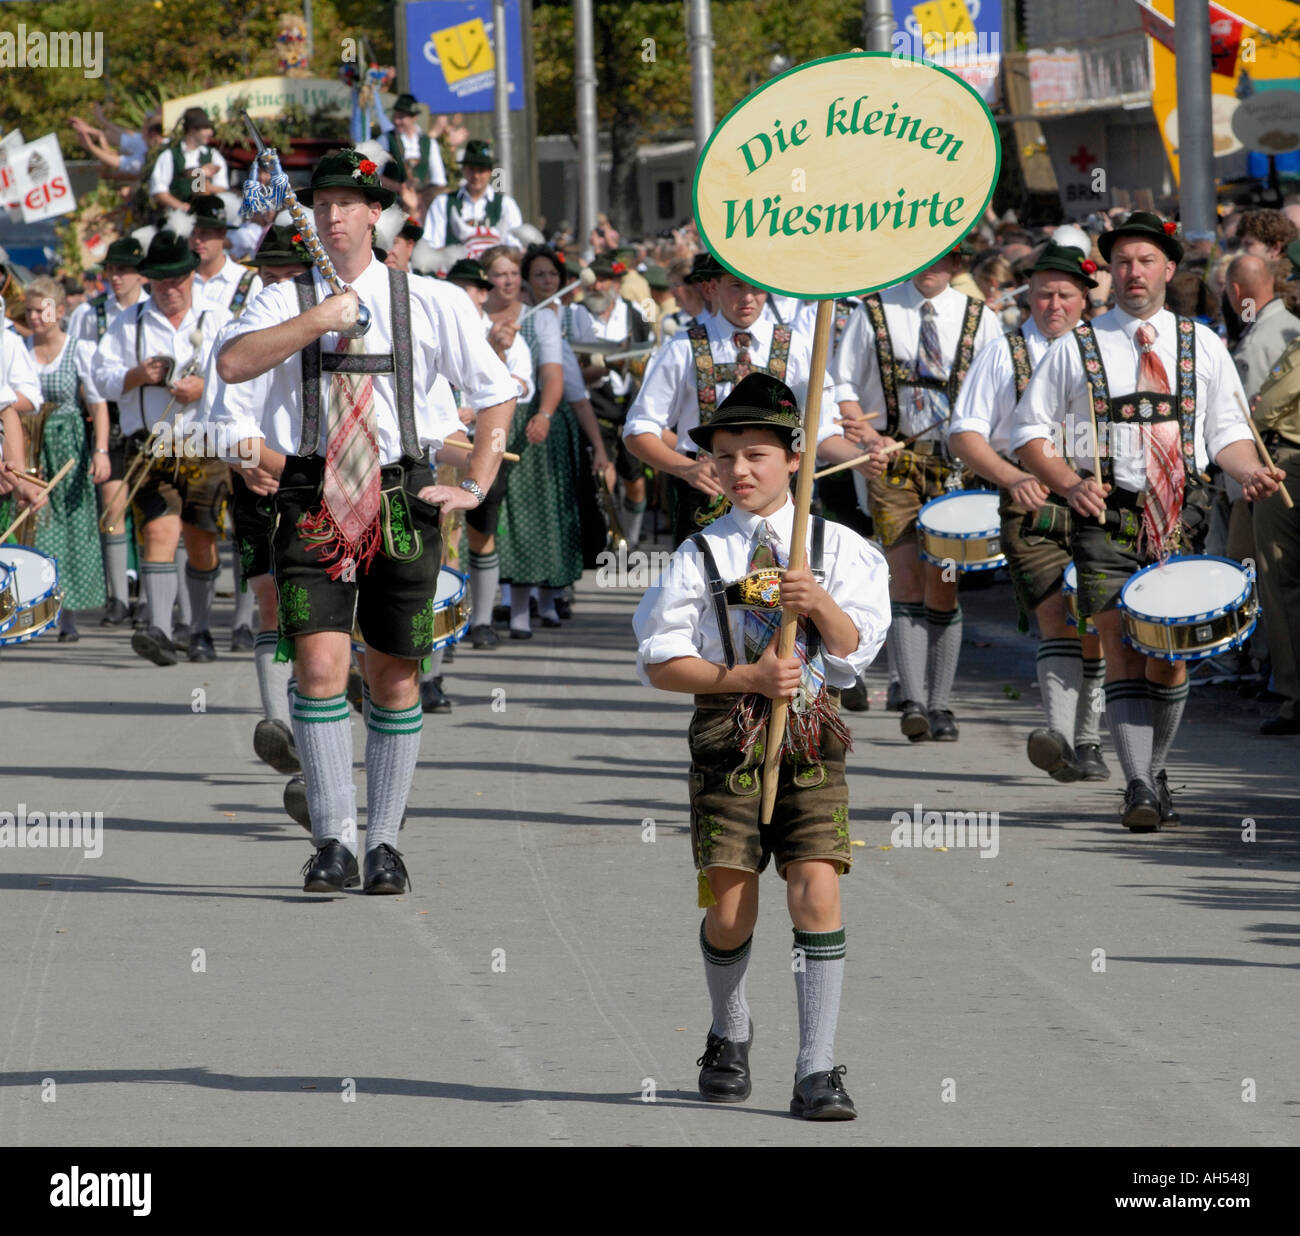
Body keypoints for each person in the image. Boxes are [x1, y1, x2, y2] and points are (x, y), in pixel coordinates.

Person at [215, 148, 517, 895]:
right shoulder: (283, 298)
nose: (335, 213)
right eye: (322, 203)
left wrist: (475, 482)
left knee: (393, 673)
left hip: (402, 494)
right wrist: (319, 318)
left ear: (375, 214)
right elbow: (232, 367)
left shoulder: (432, 299)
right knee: (319, 666)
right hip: (314, 494)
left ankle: (384, 841)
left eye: (350, 202)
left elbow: (497, 392)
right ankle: (333, 840)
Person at [633, 373, 889, 1120]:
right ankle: (730, 1028)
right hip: (726, 736)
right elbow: (658, 658)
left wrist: (819, 604)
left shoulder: (840, 548)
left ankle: (817, 1070)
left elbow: (854, 653)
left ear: (796, 459)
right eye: (724, 457)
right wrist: (744, 673)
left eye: (756, 455)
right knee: (730, 905)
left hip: (814, 733)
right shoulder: (702, 553)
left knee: (817, 886)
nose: (739, 470)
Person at [1012, 211, 1283, 830]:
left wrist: (1248, 473)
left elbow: (1226, 433)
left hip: (1181, 512)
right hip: (1106, 512)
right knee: (1117, 642)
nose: (1133, 272)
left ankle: (1152, 768)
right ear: (1111, 272)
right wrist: (1069, 482)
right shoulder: (1075, 347)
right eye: (1123, 262)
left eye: (1145, 260)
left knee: (1172, 654)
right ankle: (1136, 785)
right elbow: (1029, 433)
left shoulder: (1203, 343)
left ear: (1168, 268)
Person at [829, 239, 1004, 742]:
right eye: (922, 255)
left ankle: (941, 702)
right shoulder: (875, 311)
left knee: (943, 582)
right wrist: (863, 433)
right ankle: (913, 700)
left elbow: (998, 385)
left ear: (958, 263)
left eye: (944, 257)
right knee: (904, 578)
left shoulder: (979, 316)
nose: (931, 266)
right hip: (894, 462)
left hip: (955, 468)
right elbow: (841, 382)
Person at [949, 243, 1111, 781]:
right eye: (1044, 294)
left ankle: (1088, 739)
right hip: (1031, 502)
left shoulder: (1105, 349)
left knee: (1097, 617)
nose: (1054, 305)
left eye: (1066, 294)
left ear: (1085, 299)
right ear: (1029, 298)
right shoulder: (1004, 351)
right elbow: (965, 433)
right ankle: (1063, 738)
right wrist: (1013, 475)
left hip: (1100, 502)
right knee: (1054, 612)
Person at [624, 253, 877, 549]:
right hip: (704, 501)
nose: (748, 298)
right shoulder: (682, 347)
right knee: (707, 588)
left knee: (779, 590)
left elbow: (818, 431)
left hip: (778, 503)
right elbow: (638, 429)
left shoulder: (796, 346)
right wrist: (686, 469)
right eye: (735, 286)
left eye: (756, 287)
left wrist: (860, 458)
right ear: (712, 288)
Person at [201, 224, 315, 773]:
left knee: (322, 608)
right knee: (271, 594)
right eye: (269, 276)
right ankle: (281, 728)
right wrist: (243, 459)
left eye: (291, 276)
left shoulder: (334, 329)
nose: (278, 288)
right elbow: (214, 416)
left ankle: (325, 718)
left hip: (324, 480)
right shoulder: (234, 332)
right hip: (262, 482)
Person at [92, 230, 232, 666]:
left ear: (192, 276)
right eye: (161, 281)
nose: (170, 289)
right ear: (149, 279)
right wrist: (138, 375)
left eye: (178, 280)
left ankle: (201, 629)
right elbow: (101, 379)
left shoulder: (218, 317)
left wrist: (204, 387)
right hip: (149, 444)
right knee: (158, 530)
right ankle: (159, 629)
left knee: (201, 538)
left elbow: (244, 377)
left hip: (202, 443)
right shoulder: (127, 321)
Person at [482, 244, 606, 636]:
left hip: (530, 420)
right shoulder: (474, 314)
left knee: (538, 511)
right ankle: (499, 603)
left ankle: (541, 598)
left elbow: (555, 377)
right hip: (486, 420)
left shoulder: (541, 321)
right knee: (502, 516)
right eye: (500, 274)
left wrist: (544, 413)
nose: (508, 281)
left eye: (512, 274)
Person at [445, 255, 542, 650]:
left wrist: (498, 354)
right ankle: (444, 626)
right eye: (458, 289)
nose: (465, 297)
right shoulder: (433, 327)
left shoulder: (503, 334)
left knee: (480, 532)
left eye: (473, 290)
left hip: (480, 445)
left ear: (483, 296)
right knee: (441, 540)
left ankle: (481, 621)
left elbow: (519, 386)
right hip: (438, 446)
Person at [22, 278, 109, 640]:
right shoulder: (19, 348)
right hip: (28, 444)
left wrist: (100, 451)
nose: (35, 317)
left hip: (68, 445)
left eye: (41, 309)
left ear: (59, 312)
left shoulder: (79, 349)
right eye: (29, 310)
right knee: (34, 523)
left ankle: (67, 614)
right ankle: (35, 608)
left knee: (72, 526)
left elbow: (98, 404)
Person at [73, 237, 149, 625]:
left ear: (140, 273)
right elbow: (85, 368)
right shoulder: (91, 313)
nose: (116, 277)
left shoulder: (149, 310)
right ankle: (118, 597)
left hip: (149, 414)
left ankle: (151, 598)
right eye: (111, 270)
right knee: (113, 503)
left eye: (124, 270)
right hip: (110, 414)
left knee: (151, 507)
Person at [567, 254, 652, 547]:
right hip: (594, 402)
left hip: (630, 403)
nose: (598, 286)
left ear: (615, 283)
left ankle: (631, 537)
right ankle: (611, 538)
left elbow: (646, 354)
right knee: (604, 476)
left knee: (636, 479)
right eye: (595, 280)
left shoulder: (635, 313)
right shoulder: (576, 312)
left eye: (605, 280)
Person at [1248, 333, 1300, 734]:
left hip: (1289, 464)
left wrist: (1252, 413)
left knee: (1281, 580)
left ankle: (1295, 698)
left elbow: (1265, 408)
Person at [424, 140, 522, 257]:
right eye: (471, 169)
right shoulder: (442, 202)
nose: (476, 176)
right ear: (464, 170)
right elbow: (432, 244)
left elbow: (515, 247)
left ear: (490, 172)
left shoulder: (506, 205)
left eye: (481, 170)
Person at [189, 194, 263, 318]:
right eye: (193, 233)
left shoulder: (248, 281)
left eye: (205, 233)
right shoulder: (179, 281)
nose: (197, 240)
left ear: (222, 234)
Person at [150, 107, 229, 213]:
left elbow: (222, 188)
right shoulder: (170, 155)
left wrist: (204, 182)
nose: (210, 132)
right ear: (192, 129)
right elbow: (159, 191)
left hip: (207, 215)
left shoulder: (213, 155)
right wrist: (182, 207)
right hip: (177, 215)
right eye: (205, 128)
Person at [383, 93, 448, 218]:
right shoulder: (386, 139)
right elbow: (375, 175)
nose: (396, 121)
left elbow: (439, 181)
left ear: (414, 118)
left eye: (401, 117)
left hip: (421, 206)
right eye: (395, 116)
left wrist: (421, 198)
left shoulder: (428, 143)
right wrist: (399, 188)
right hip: (393, 204)